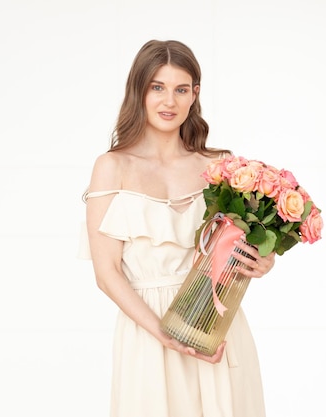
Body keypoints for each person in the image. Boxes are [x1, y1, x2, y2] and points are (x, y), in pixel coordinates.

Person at [83, 39, 276, 417]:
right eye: (157, 87)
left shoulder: (221, 165)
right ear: (139, 91)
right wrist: (166, 335)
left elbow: (240, 246)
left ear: (194, 95)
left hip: (216, 328)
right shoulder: (112, 166)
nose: (168, 101)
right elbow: (106, 274)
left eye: (180, 89)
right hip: (149, 335)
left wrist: (263, 260)